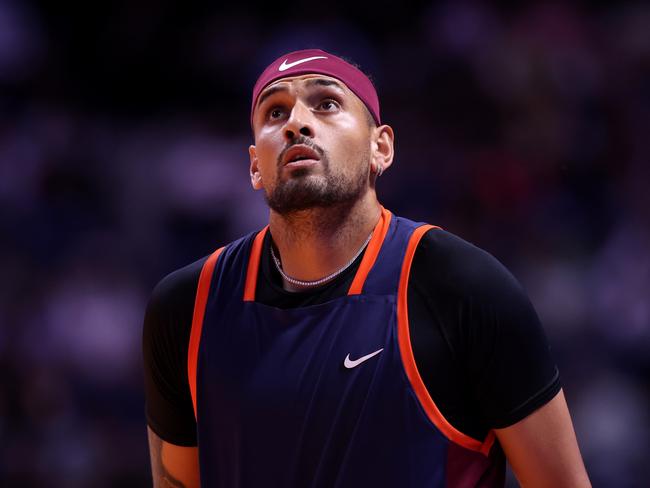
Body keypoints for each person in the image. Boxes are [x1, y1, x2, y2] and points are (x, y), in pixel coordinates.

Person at [142, 48, 590, 487]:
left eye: (327, 104)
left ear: (382, 148)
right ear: (256, 166)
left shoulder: (461, 287)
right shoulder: (187, 307)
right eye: (275, 113)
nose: (297, 122)